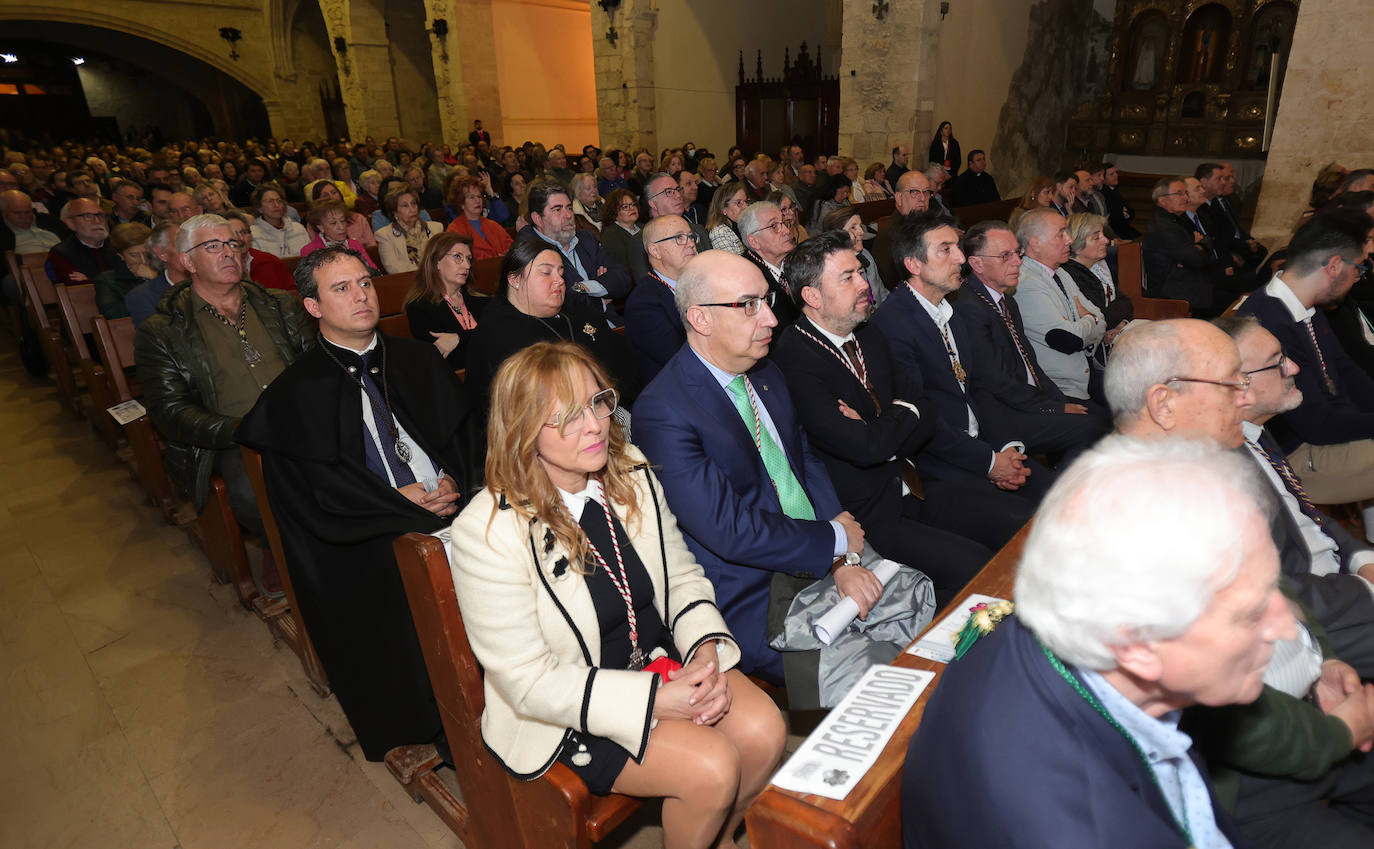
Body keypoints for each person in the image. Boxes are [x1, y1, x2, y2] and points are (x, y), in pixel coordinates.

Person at [448, 341, 785, 848]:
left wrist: (704, 651)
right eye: (564, 418)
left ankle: (715, 836)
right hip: (565, 708)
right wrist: (653, 700)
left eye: (596, 402)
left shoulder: (627, 469)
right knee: (712, 768)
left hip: (655, 660)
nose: (594, 426)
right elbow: (525, 681)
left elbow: (681, 577)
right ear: (522, 433)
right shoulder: (489, 530)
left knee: (765, 732)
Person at [902, 437, 1295, 849]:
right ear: (1137, 646)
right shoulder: (1081, 830)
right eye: (1251, 612)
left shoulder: (1047, 624)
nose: (1284, 626)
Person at [634, 250, 935, 707]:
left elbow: (804, 459)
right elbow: (730, 531)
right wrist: (833, 542)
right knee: (876, 679)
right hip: (758, 591)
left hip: (822, 550)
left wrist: (843, 556)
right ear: (700, 318)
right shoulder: (663, 411)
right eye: (748, 304)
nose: (772, 318)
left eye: (767, 300)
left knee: (920, 603)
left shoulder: (766, 373)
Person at [236, 245, 483, 764]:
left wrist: (451, 478)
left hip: (452, 509)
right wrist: (396, 503)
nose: (361, 296)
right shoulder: (294, 395)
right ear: (312, 307)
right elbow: (318, 497)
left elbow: (466, 436)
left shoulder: (414, 358)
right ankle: (451, 721)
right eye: (341, 288)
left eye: (365, 283)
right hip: (368, 533)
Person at [773, 230, 1027, 606]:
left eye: (861, 272)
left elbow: (924, 409)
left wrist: (882, 422)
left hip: (915, 481)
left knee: (1015, 522)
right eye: (848, 277)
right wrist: (895, 418)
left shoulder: (869, 334)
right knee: (975, 568)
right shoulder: (795, 358)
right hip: (869, 514)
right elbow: (865, 448)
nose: (864, 284)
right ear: (811, 296)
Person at [134, 214, 314, 594]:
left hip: (301, 420)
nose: (229, 253)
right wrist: (241, 430)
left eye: (233, 244)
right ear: (187, 261)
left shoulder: (280, 305)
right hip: (232, 436)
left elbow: (316, 367)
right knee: (252, 491)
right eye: (212, 246)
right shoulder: (163, 330)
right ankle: (279, 548)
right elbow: (169, 411)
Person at [1204, 316, 1374, 678]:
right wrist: (1362, 588)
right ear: (1239, 387)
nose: (1293, 367)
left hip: (1338, 586)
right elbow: (1269, 586)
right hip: (1309, 622)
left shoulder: (1254, 432)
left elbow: (1309, 514)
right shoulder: (1217, 469)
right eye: (1278, 361)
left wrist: (1361, 560)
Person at [872, 212, 1054, 501]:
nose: (960, 257)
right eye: (946, 249)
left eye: (957, 246)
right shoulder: (891, 325)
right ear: (913, 264)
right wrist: (991, 463)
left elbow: (976, 389)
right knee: (1028, 520)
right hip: (936, 462)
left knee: (1056, 492)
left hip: (982, 444)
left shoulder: (951, 311)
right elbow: (919, 420)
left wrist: (1006, 449)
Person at [1238, 209, 1374, 506]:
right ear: (1335, 266)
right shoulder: (1268, 322)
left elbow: (1345, 371)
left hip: (1319, 436)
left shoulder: (1302, 305)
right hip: (1293, 458)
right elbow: (1319, 424)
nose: (1359, 278)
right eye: (1360, 269)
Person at [954, 220, 1111, 453]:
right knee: (1094, 427)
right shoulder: (970, 308)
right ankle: (1062, 488)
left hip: (1031, 398)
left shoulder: (1006, 299)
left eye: (1017, 253)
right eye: (1005, 256)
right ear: (977, 263)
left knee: (1103, 419)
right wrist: (1054, 408)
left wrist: (1059, 402)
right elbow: (996, 381)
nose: (1018, 262)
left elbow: (1031, 363)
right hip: (1003, 412)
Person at [464, 236, 639, 406]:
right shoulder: (495, 333)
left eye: (561, 273)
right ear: (515, 279)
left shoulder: (578, 311)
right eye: (546, 272)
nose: (559, 281)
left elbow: (623, 365)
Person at [1015, 208, 1116, 402]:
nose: (1069, 240)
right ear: (1036, 243)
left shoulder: (1061, 272)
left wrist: (1088, 320)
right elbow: (1069, 340)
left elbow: (1101, 319)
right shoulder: (1026, 282)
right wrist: (1088, 318)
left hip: (1083, 372)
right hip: (1058, 388)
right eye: (1061, 234)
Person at [526, 180, 632, 317]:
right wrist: (600, 297)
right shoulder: (530, 251)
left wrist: (584, 287)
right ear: (538, 219)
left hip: (610, 323)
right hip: (569, 333)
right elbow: (562, 303)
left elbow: (623, 278)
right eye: (558, 209)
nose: (569, 215)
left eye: (569, 208)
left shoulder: (585, 239)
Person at [625, 214, 697, 382]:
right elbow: (679, 358)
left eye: (691, 236)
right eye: (679, 237)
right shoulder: (643, 303)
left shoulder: (703, 284)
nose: (691, 243)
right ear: (655, 251)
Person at [404, 232, 486, 370]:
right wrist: (481, 336)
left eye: (468, 258)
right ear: (436, 262)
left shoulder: (481, 298)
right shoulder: (419, 307)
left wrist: (458, 338)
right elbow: (451, 358)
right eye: (458, 257)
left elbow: (499, 333)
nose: (467, 265)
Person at [1062, 212, 1133, 327]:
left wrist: (1123, 322)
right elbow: (1101, 318)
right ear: (1077, 246)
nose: (1106, 240)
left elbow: (1126, 301)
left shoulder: (1098, 266)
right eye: (1096, 238)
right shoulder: (1071, 275)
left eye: (1103, 234)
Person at [738, 201, 799, 327]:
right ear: (754, 241)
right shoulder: (746, 280)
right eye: (774, 226)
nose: (787, 231)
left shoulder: (798, 261)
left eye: (784, 223)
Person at [871, 171, 934, 291]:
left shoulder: (924, 224)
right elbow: (893, 283)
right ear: (899, 198)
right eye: (914, 192)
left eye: (926, 192)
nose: (922, 198)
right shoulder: (890, 234)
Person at [0, 189, 62, 303]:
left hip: (62, 266)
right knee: (10, 282)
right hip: (26, 272)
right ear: (4, 212)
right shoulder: (2, 231)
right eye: (17, 213)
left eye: (28, 212)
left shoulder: (49, 221)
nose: (24, 217)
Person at [819, 205, 886, 307]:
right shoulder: (832, 269)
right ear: (836, 234)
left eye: (860, 226)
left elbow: (882, 292)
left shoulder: (866, 255)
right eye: (853, 227)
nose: (861, 232)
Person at [124, 221, 186, 326]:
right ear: (162, 254)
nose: (190, 251)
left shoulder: (215, 285)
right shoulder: (143, 297)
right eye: (180, 245)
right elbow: (160, 339)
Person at [375, 184, 444, 274]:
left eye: (413, 203)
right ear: (394, 212)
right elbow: (394, 269)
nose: (412, 209)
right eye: (405, 206)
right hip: (408, 283)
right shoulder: (385, 235)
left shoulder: (436, 228)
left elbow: (444, 260)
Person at [94, 222, 157, 319]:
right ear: (121, 256)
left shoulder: (164, 271)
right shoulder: (107, 280)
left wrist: (155, 280)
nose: (143, 261)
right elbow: (112, 313)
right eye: (134, 255)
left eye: (146, 253)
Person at [48, 197, 117, 284]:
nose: (97, 221)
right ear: (71, 223)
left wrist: (90, 280)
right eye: (87, 216)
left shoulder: (120, 245)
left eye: (100, 215)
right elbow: (79, 288)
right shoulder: (62, 253)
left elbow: (133, 280)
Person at [444, 174, 513, 260]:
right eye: (471, 197)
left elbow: (511, 248)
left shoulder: (493, 225)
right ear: (461, 203)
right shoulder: (454, 229)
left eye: (479, 196)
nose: (477, 200)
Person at [223, 210, 295, 292]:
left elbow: (292, 294)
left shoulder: (270, 261)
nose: (241, 239)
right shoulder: (217, 268)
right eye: (234, 233)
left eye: (244, 232)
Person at [300, 199, 380, 271]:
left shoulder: (354, 244)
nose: (341, 227)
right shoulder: (309, 251)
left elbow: (373, 271)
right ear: (321, 227)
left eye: (342, 221)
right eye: (333, 223)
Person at [307, 180, 376, 246]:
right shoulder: (314, 225)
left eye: (334, 192)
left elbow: (372, 246)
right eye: (325, 195)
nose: (331, 197)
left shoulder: (358, 218)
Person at [249, 184, 309, 259]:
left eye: (279, 201)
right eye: (270, 201)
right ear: (259, 207)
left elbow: (310, 258)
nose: (276, 205)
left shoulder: (298, 228)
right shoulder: (253, 233)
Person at [1100, 162, 1141, 239]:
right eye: (1111, 174)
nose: (1116, 175)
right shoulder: (1104, 194)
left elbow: (1130, 211)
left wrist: (1125, 213)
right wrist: (1124, 213)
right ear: (1103, 178)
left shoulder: (1114, 190)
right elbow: (1115, 218)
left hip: (1124, 229)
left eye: (1116, 172)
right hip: (1115, 233)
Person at [706, 183, 749, 255]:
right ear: (723, 208)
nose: (745, 206)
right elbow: (731, 264)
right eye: (738, 203)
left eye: (746, 201)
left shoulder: (744, 226)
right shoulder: (719, 232)